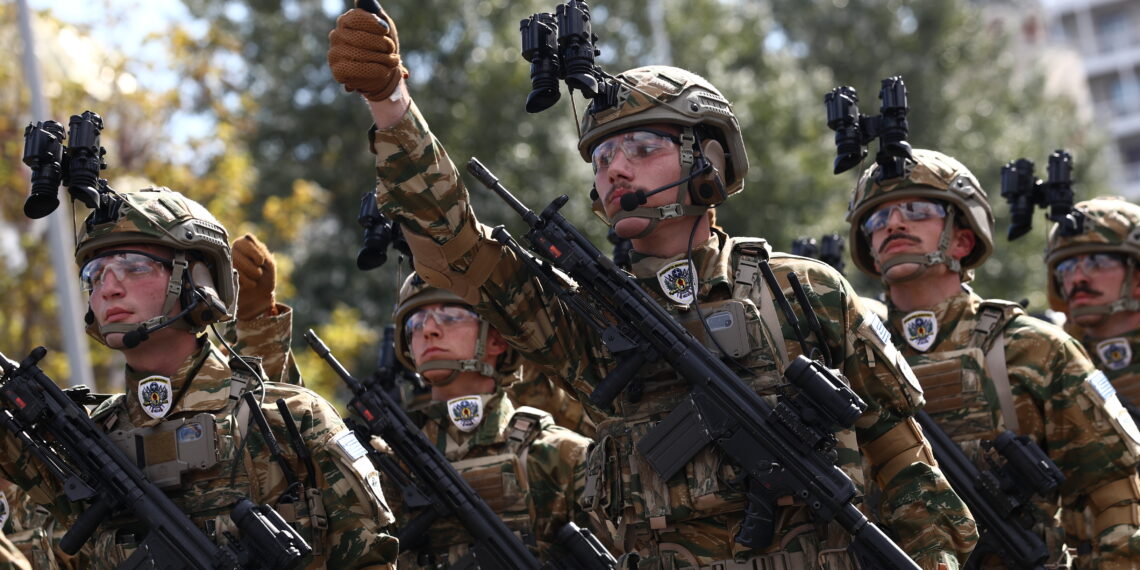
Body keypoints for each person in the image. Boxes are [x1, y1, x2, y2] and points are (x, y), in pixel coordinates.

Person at [328, 7, 977, 568]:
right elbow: (457, 252)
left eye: (640, 147)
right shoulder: (588, 321)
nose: (615, 170)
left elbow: (907, 467)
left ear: (707, 157)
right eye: (602, 158)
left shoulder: (804, 291)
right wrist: (391, 104)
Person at [0, 187, 399, 569]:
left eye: (134, 267)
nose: (108, 288)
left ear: (196, 281)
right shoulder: (76, 444)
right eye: (95, 273)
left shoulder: (291, 421)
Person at [845, 150, 1140, 566]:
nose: (893, 223)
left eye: (917, 210)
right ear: (869, 248)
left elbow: (1114, 496)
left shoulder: (1035, 348)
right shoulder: (851, 354)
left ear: (963, 240)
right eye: (877, 219)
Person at [384, 273, 598, 566]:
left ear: (496, 338)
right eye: (416, 323)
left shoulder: (562, 455)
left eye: (450, 317)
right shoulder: (390, 467)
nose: (429, 330)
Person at [1045, 197, 1140, 414]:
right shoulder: (1047, 369)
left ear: (1138, 278)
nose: (1077, 278)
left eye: (1097, 262)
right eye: (1066, 267)